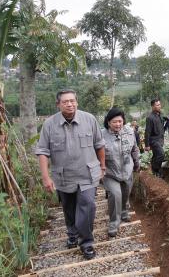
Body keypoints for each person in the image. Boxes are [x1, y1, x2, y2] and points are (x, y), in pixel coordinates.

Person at [35, 89, 105, 260]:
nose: (70, 104)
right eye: (65, 101)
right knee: (69, 208)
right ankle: (72, 234)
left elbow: (99, 144)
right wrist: (46, 177)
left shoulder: (89, 119)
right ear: (58, 104)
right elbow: (43, 151)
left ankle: (87, 243)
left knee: (87, 205)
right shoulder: (49, 125)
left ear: (77, 102)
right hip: (63, 177)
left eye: (72, 100)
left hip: (87, 174)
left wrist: (103, 166)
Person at [102, 108, 139, 237]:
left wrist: (136, 162)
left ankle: (124, 211)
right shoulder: (102, 136)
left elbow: (134, 148)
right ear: (108, 122)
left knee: (125, 192)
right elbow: (96, 154)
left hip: (127, 169)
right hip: (110, 172)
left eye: (120, 121)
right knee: (115, 194)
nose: (117, 124)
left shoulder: (129, 132)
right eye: (114, 122)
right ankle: (114, 223)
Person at [144, 99, 165, 178]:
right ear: (152, 106)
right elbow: (147, 131)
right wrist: (147, 145)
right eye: (157, 105)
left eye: (159, 104)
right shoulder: (150, 118)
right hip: (154, 140)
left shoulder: (160, 115)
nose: (159, 106)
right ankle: (156, 169)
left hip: (160, 140)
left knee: (156, 155)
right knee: (161, 154)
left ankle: (154, 170)